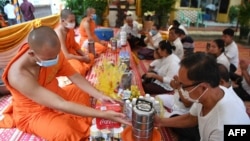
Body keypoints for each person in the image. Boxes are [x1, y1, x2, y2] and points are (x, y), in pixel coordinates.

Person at [0, 26, 130, 141]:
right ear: (32, 54)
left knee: (80, 90)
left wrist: (100, 95)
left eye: (56, 56)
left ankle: (77, 115)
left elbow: (74, 76)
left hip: (56, 94)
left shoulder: (53, 53)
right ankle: (74, 120)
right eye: (50, 59)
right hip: (33, 113)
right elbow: (60, 104)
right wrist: (103, 114)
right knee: (66, 133)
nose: (55, 60)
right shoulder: (18, 75)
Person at [154, 52, 250, 141]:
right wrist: (161, 122)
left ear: (203, 87)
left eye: (183, 86)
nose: (180, 89)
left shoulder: (223, 125)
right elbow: (192, 118)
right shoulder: (208, 94)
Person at [55, 9, 94, 76]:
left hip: (72, 54)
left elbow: (75, 45)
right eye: (71, 21)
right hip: (63, 58)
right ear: (63, 21)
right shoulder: (59, 33)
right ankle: (80, 68)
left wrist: (84, 55)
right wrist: (82, 58)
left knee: (91, 56)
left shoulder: (70, 29)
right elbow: (66, 56)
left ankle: (82, 65)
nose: (73, 23)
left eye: (74, 20)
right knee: (79, 70)